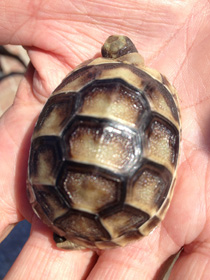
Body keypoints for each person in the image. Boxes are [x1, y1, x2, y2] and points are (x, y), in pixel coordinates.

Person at [0, 1, 210, 279]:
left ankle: (10, 75)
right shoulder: (159, 93)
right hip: (106, 219)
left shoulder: (85, 78)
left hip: (56, 206)